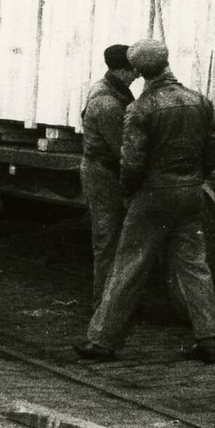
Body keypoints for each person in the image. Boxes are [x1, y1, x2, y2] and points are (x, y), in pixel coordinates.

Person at [75, 38, 215, 364]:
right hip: (190, 191)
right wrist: (196, 175)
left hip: (154, 195)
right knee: (194, 267)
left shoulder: (140, 109)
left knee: (128, 265)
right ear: (166, 61)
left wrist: (130, 192)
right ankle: (208, 338)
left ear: (140, 72)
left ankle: (101, 340)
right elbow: (214, 147)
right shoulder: (199, 101)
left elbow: (131, 163)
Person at [80, 44, 136, 308]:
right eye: (133, 70)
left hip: (105, 170)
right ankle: (104, 305)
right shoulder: (107, 103)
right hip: (103, 173)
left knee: (112, 237)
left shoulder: (113, 90)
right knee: (107, 238)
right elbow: (123, 148)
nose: (136, 75)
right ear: (121, 70)